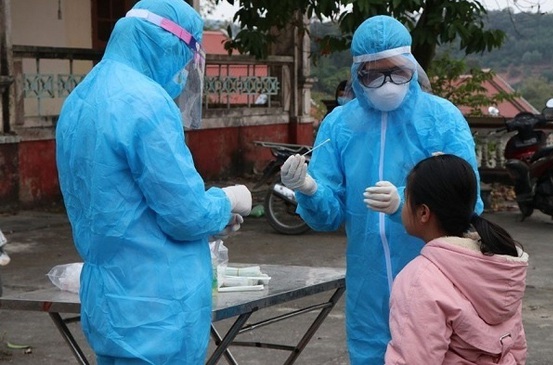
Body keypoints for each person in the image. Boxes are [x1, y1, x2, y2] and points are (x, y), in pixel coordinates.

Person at [55, 0, 252, 364]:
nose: (183, 73)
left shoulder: (79, 99)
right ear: (168, 45)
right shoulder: (146, 102)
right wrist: (227, 200)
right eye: (185, 57)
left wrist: (214, 222)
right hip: (157, 309)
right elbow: (186, 213)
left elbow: (122, 205)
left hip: (109, 301)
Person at [280, 15, 482, 364]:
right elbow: (329, 216)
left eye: (397, 71)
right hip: (368, 286)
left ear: (411, 66)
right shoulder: (340, 125)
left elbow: (468, 205)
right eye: (373, 73)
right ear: (357, 75)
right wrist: (309, 188)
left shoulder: (442, 119)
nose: (386, 83)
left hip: (437, 280)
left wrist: (405, 203)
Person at [384, 154, 528, 364]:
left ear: (423, 212)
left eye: (406, 199)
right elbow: (516, 346)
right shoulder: (500, 264)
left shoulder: (419, 281)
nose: (403, 206)